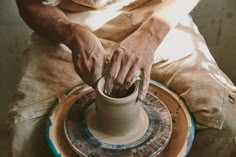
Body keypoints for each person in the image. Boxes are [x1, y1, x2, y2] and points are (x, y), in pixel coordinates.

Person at [8, 0, 236, 156]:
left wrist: (150, 36)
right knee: (27, 132)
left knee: (225, 122)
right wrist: (72, 34)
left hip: (157, 17)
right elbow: (29, 3)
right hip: (70, 21)